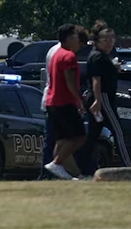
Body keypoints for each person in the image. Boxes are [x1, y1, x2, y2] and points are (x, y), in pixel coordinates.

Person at [75, 21, 131, 175]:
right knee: (118, 131)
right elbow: (96, 80)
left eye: (111, 39)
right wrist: (98, 101)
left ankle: (82, 166)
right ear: (97, 41)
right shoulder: (97, 57)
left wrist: (114, 68)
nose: (109, 43)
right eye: (105, 40)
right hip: (103, 98)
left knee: (93, 135)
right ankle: (128, 166)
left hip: (102, 99)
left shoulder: (105, 57)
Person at [40, 26, 89, 179]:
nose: (78, 40)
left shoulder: (55, 54)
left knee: (61, 140)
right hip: (64, 102)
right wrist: (79, 100)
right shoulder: (68, 56)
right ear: (68, 38)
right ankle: (57, 163)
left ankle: (57, 172)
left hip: (51, 101)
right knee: (79, 136)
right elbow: (70, 82)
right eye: (75, 37)